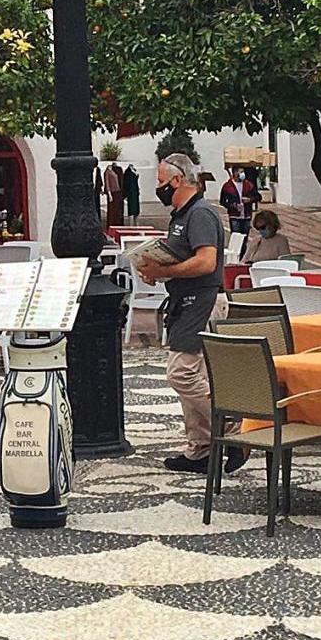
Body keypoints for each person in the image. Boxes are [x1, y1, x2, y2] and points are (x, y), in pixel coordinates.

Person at [135, 153, 242, 475]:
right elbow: (181, 260)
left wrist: (167, 269)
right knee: (197, 377)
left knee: (181, 373)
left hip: (202, 299)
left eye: (160, 182)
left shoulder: (200, 214)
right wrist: (157, 270)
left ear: (177, 180)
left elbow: (206, 262)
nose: (158, 188)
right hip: (184, 301)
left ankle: (233, 429)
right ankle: (200, 450)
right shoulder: (180, 216)